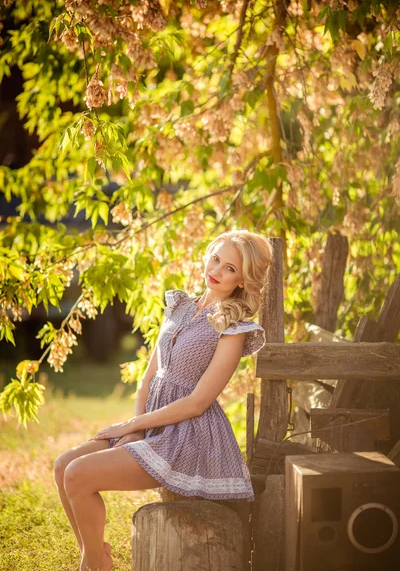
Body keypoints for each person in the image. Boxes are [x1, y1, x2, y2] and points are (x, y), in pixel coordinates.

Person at [53, 229, 273, 571]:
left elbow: (197, 403)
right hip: (151, 423)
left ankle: (92, 563)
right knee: (62, 466)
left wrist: (132, 425)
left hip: (187, 436)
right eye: (215, 258)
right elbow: (150, 378)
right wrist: (135, 429)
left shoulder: (234, 330)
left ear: (244, 278)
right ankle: (95, 556)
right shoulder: (179, 307)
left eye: (230, 268)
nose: (217, 270)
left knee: (79, 474)